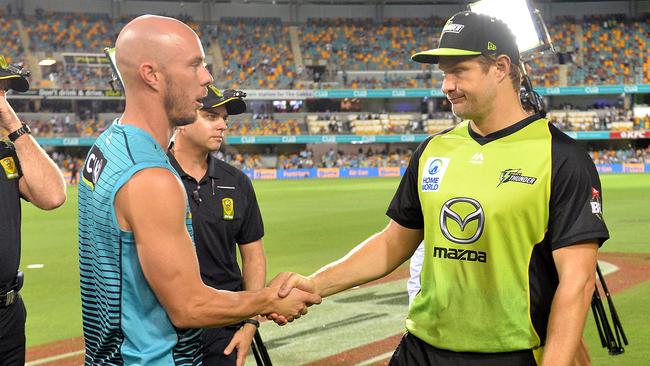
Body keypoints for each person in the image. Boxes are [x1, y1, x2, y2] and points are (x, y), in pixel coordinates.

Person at [270, 11, 608, 366]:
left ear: (501, 67)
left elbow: (577, 282)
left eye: (459, 71)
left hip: (508, 354)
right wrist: (315, 285)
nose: (446, 85)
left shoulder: (562, 158)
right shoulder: (433, 149)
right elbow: (392, 242)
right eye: (444, 73)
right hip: (421, 349)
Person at [77, 15, 320, 365]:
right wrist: (269, 300)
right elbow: (189, 307)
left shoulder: (107, 145)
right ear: (152, 75)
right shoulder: (151, 178)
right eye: (195, 65)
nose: (207, 78)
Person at [168, 86, 265, 366]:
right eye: (211, 116)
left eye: (224, 118)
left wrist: (250, 322)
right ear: (182, 122)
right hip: (166, 330)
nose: (222, 125)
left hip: (226, 329)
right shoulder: (154, 175)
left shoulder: (237, 181)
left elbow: (253, 255)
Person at [0, 58, 66, 365]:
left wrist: (14, 126)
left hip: (9, 314)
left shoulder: (5, 153)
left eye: (4, 93)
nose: (1, 101)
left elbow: (52, 195)